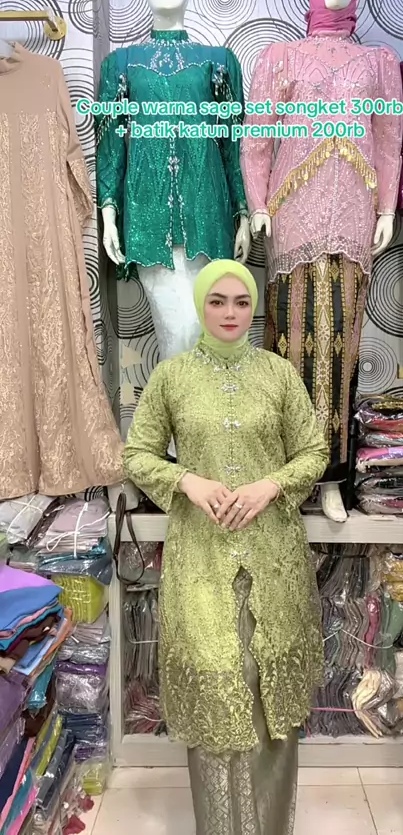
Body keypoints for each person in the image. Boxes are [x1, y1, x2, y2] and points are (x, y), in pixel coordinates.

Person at [123, 258, 328, 835]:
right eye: (218, 301)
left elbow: (313, 451)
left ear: (253, 307)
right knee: (216, 685)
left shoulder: (279, 374)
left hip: (273, 558)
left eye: (241, 302)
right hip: (202, 561)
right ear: (202, 306)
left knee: (269, 692)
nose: (230, 312)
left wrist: (271, 485)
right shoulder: (173, 378)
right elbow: (137, 454)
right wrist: (186, 480)